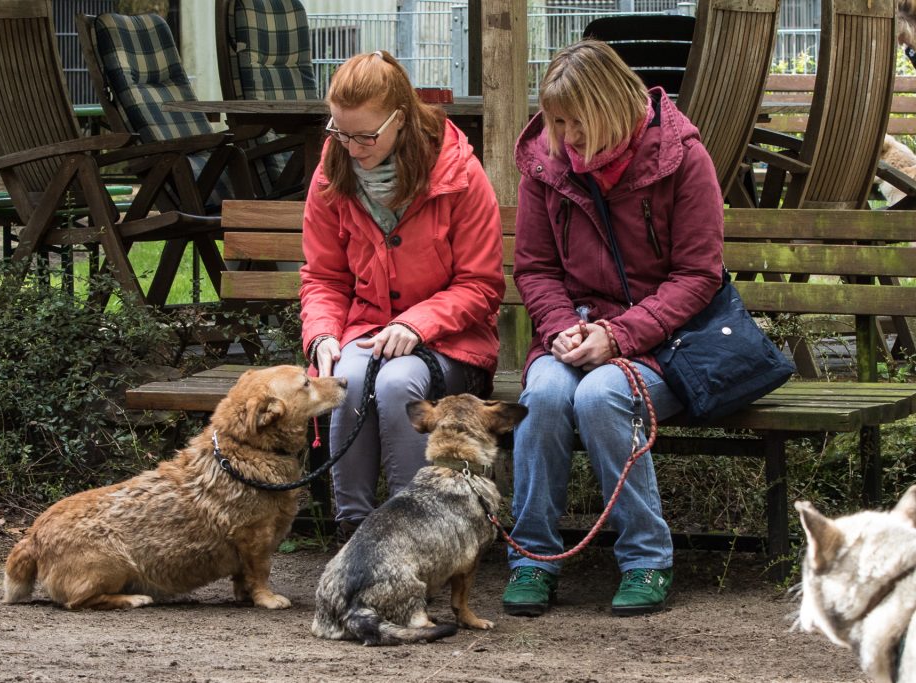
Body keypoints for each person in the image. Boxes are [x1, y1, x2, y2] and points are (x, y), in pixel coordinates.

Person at [502, 40, 724, 617]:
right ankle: (532, 558)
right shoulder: (544, 167)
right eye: (556, 122)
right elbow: (536, 267)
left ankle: (646, 558)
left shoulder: (682, 158)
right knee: (545, 394)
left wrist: (620, 336)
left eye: (577, 122)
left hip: (667, 344)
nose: (566, 138)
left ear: (612, 107)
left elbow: (699, 275)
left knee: (603, 396)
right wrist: (558, 329)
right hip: (574, 332)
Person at [299, 51, 504, 543]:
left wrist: (417, 324)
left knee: (397, 385)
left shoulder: (460, 174)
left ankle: (419, 532)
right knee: (343, 379)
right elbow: (323, 279)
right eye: (340, 133)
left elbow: (481, 285)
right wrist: (323, 335)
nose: (352, 147)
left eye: (366, 135)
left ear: (402, 118)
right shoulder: (332, 173)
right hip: (365, 334)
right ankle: (354, 534)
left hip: (451, 343)